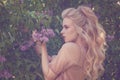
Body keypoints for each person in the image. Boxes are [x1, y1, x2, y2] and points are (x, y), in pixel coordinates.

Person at [33, 5, 107, 80]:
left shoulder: (70, 48)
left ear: (79, 29)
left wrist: (43, 46)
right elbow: (57, 61)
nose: (62, 31)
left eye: (66, 27)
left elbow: (48, 76)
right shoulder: (85, 53)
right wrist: (42, 52)